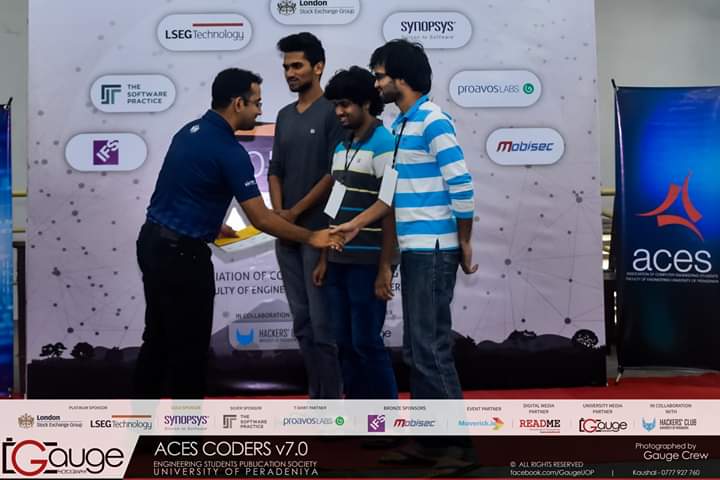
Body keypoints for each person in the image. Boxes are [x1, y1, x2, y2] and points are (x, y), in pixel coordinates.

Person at [135, 68, 344, 399]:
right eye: (256, 103)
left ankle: (140, 425)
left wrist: (213, 224)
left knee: (157, 341)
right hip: (182, 257)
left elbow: (184, 192)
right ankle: (188, 430)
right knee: (190, 351)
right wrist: (311, 237)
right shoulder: (229, 151)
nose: (260, 111)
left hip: (152, 243)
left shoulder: (188, 131)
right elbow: (261, 219)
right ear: (237, 104)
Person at [332, 40, 477, 400]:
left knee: (430, 350)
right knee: (416, 351)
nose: (376, 84)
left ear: (401, 78)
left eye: (380, 76)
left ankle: (453, 435)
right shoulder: (399, 127)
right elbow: (389, 196)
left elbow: (461, 184)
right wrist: (356, 224)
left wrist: (464, 240)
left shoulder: (433, 121)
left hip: (434, 250)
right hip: (414, 250)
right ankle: (429, 432)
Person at [313, 66, 399, 399]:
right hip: (338, 262)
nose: (339, 112)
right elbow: (334, 206)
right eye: (336, 105)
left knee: (366, 343)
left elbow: (389, 207)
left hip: (369, 263)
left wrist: (385, 267)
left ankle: (384, 419)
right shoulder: (342, 146)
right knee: (345, 343)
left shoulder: (385, 144)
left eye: (345, 104)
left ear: (366, 103)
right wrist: (324, 257)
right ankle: (356, 417)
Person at [268, 32, 344, 398]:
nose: (290, 73)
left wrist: (294, 212)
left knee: (323, 326)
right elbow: (275, 170)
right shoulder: (284, 116)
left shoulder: (334, 111)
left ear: (319, 67)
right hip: (287, 237)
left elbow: (334, 173)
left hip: (319, 235)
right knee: (302, 323)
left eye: (297, 65)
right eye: (286, 67)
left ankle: (334, 404)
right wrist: (279, 216)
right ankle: (318, 398)